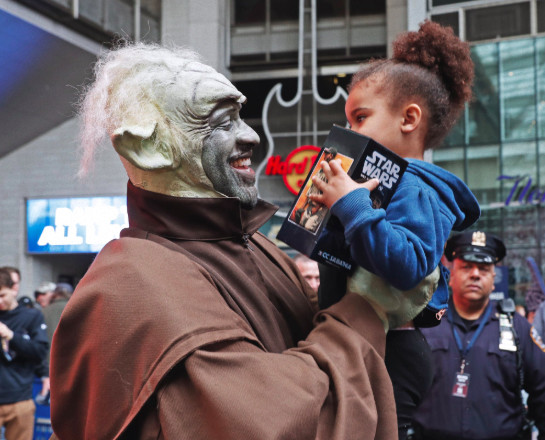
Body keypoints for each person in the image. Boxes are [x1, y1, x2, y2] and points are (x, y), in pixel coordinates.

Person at [47, 43, 418, 440]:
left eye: (240, 117)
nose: (251, 135)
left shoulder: (254, 244)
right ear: (146, 147)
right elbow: (275, 423)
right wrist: (367, 307)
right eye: (222, 122)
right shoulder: (131, 284)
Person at [309, 20, 480, 330]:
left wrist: (352, 206)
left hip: (392, 353)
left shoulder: (418, 188)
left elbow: (409, 264)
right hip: (356, 340)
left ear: (409, 118)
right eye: (349, 121)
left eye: (360, 118)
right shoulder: (376, 182)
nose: (351, 131)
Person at [412, 231, 545, 440]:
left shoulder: (516, 327)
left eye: (484, 269)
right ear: (451, 274)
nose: (475, 274)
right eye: (466, 267)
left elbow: (542, 391)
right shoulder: (426, 323)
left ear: (494, 278)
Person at [0, 267, 49, 440]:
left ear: (13, 290)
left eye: (2, 295)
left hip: (20, 398)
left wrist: (11, 336)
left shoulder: (31, 316)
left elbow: (40, 351)